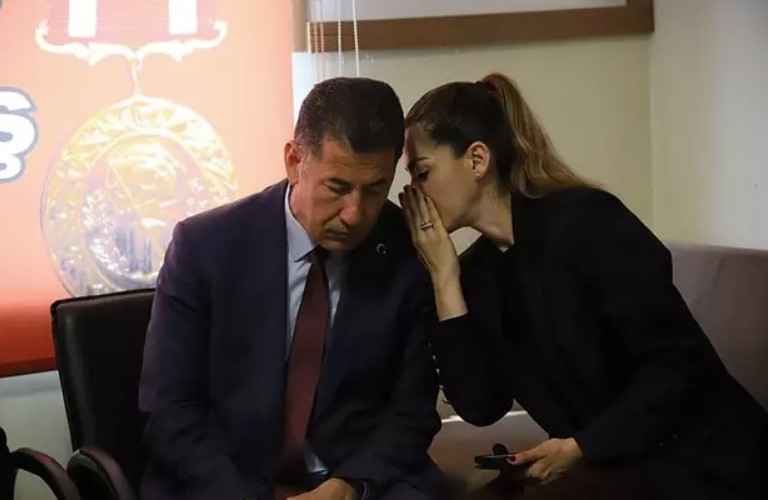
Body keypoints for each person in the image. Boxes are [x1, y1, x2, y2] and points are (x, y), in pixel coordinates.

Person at [399, 73, 768, 500]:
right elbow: (482, 406)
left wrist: (582, 447)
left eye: (422, 172)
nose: (413, 194)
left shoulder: (588, 221)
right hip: (610, 461)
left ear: (477, 160)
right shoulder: (477, 273)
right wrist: (444, 281)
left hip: (700, 455)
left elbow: (678, 364)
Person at [140, 77, 446, 500]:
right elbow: (170, 413)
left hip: (355, 481)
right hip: (227, 484)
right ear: (294, 160)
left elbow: (412, 412)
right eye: (337, 187)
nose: (355, 214)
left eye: (375, 189)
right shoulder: (206, 247)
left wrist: (347, 487)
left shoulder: (404, 251)